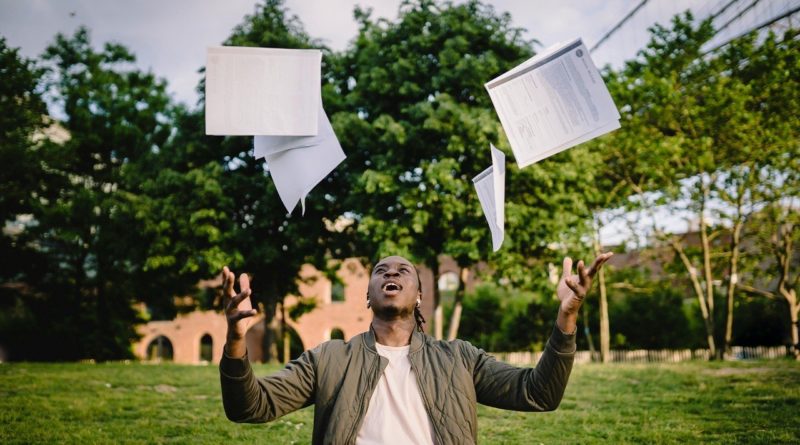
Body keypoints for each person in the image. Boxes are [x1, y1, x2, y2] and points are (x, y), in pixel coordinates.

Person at [219, 253, 613, 444]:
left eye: (403, 270)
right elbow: (249, 407)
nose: (391, 272)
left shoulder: (459, 358)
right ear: (368, 297)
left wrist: (567, 317)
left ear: (421, 296)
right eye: (381, 271)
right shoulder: (329, 358)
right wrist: (237, 340)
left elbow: (538, 394)